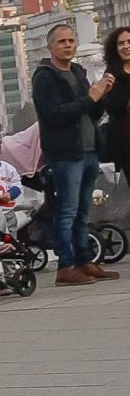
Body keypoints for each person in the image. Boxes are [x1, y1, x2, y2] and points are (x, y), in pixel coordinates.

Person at [33, 22, 120, 286]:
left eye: (71, 41)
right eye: (62, 42)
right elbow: (54, 115)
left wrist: (102, 94)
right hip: (65, 153)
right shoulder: (45, 77)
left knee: (83, 210)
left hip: (90, 148)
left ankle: (84, 260)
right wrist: (90, 97)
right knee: (67, 210)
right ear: (50, 47)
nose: (68, 45)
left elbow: (90, 111)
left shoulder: (78, 72)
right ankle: (66, 265)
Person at [98, 26, 130, 169]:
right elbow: (111, 106)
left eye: (129, 42)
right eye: (121, 43)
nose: (126, 46)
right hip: (124, 138)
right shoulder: (112, 73)